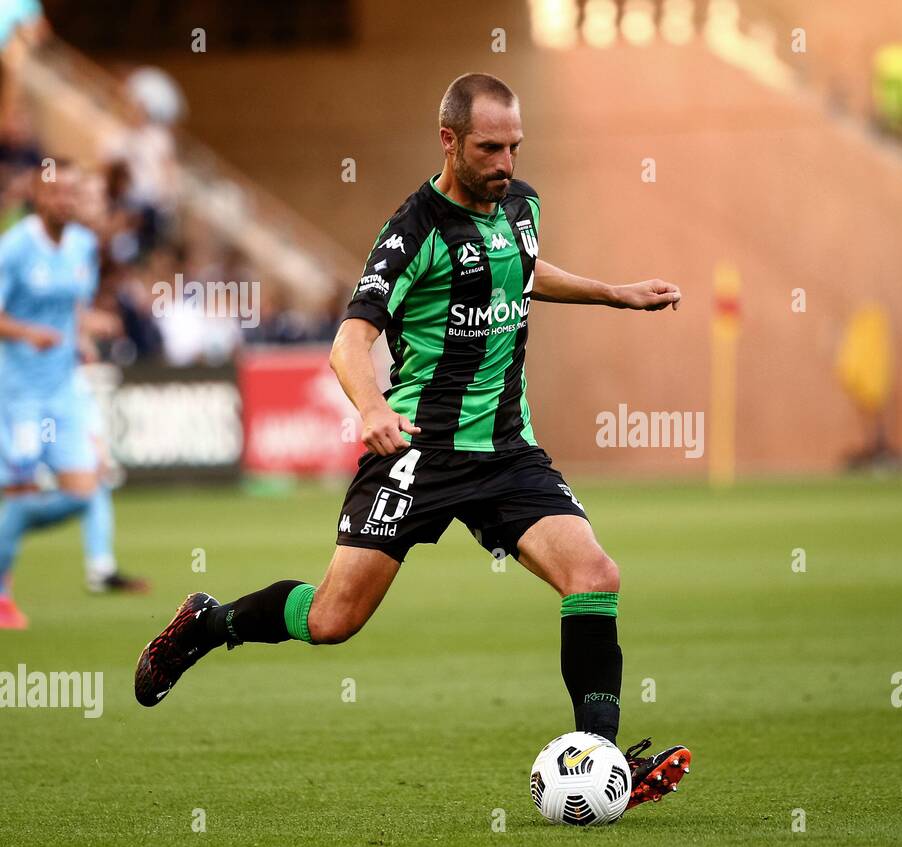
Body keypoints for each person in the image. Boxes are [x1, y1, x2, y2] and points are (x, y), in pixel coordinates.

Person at [132, 73, 692, 808]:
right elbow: (348, 341)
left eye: (515, 146)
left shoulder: (520, 206)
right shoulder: (412, 232)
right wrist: (370, 407)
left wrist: (613, 293)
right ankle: (214, 623)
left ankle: (604, 761)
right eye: (490, 148)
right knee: (333, 620)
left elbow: (517, 271)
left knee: (595, 576)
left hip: (505, 450)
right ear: (449, 140)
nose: (506, 163)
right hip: (415, 452)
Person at [0, 162, 99, 627]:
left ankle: (14, 522)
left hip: (62, 392)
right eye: (56, 192)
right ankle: (3, 595)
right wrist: (28, 332)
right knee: (18, 489)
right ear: (39, 197)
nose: (65, 201)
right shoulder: (15, 248)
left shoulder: (84, 245)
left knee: (81, 493)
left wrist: (81, 338)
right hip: (17, 392)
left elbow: (75, 304)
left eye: (72, 193)